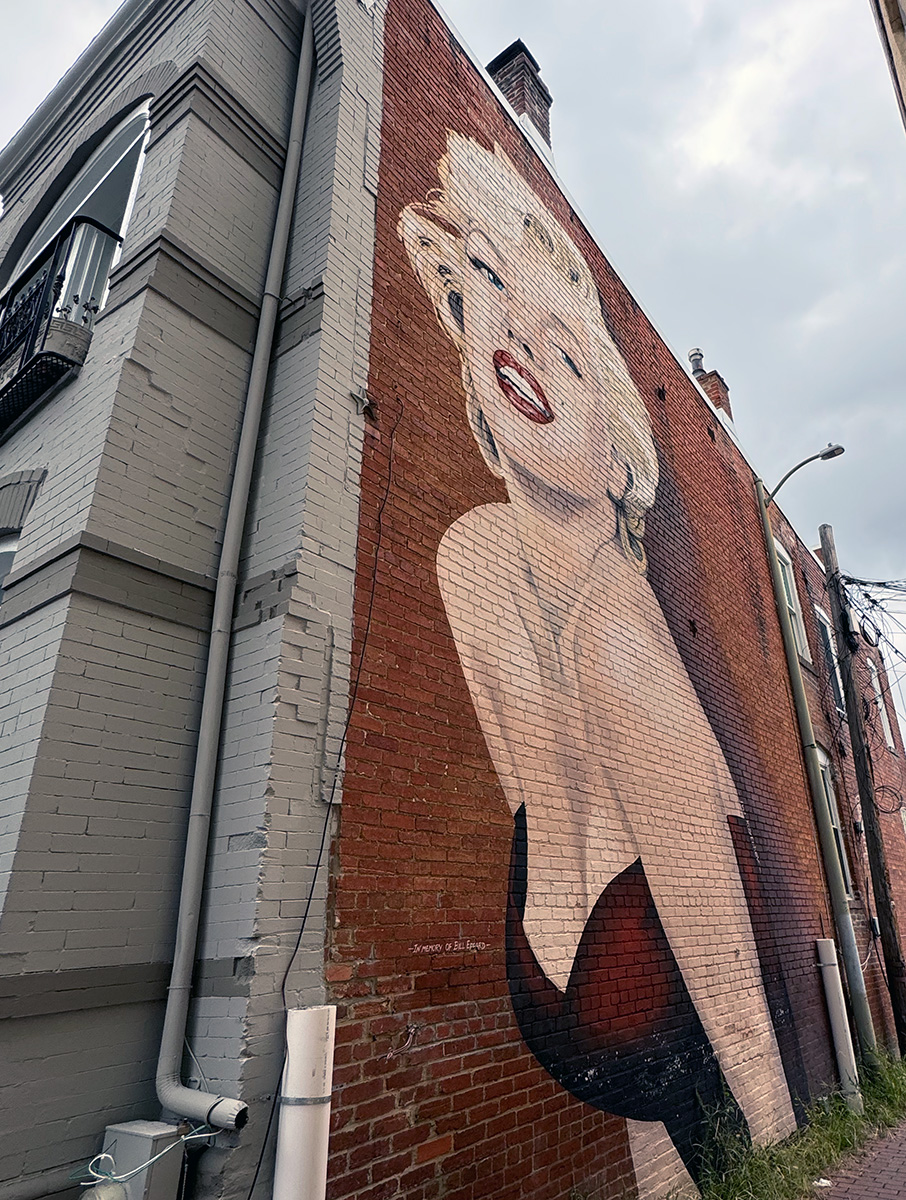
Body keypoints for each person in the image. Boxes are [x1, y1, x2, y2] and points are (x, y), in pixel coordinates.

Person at [398, 133, 796, 1193]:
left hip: (625, 984)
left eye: (570, 355)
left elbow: (742, 1031)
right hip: (594, 994)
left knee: (706, 1120)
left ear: (618, 460)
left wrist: (784, 1154)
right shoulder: (470, 562)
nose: (521, 346)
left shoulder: (620, 624)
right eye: (486, 283)